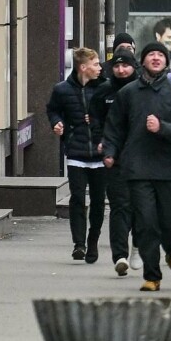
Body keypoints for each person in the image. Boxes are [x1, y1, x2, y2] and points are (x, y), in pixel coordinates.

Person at [102, 43, 171, 291]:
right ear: (142, 61)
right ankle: (152, 276)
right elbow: (114, 128)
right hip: (138, 166)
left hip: (170, 167)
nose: (155, 58)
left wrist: (163, 127)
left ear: (166, 62)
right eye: (150, 55)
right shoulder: (128, 94)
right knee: (145, 223)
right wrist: (111, 152)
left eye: (160, 55)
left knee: (168, 221)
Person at [46, 47, 111, 264]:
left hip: (100, 153)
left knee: (99, 202)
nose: (100, 68)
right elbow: (52, 110)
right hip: (76, 151)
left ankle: (93, 241)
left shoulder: (104, 88)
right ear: (83, 67)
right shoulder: (62, 90)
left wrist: (98, 124)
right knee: (77, 198)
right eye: (95, 64)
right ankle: (79, 244)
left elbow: (114, 115)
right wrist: (57, 123)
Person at [100, 44, 140, 270]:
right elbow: (97, 121)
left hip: (141, 159)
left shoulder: (143, 91)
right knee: (118, 206)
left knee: (138, 206)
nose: (121, 70)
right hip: (115, 159)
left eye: (126, 65)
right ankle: (120, 256)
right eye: (117, 66)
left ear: (134, 67)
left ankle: (137, 246)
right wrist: (103, 145)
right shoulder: (104, 92)